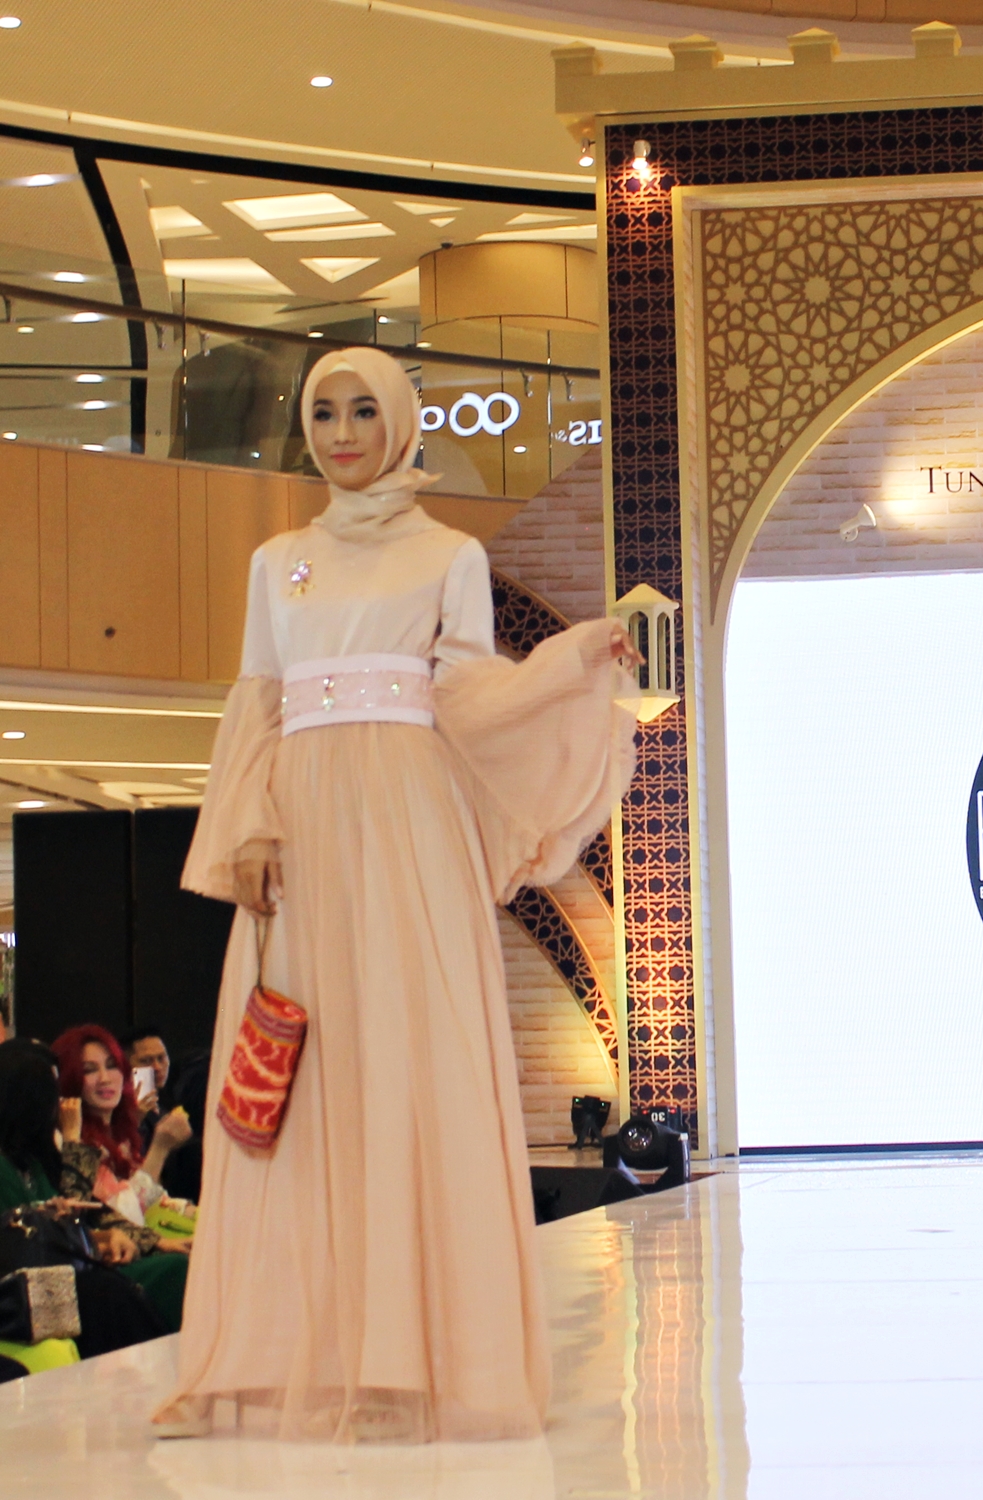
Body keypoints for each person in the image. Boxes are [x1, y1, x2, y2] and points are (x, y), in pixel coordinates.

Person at [154, 346, 638, 1442]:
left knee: (411, 1066)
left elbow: (472, 697)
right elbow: (258, 701)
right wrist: (251, 825)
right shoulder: (277, 561)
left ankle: (404, 1366)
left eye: (363, 410)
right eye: (324, 412)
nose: (341, 432)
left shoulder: (450, 554)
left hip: (411, 825)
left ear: (402, 421)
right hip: (303, 831)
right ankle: (275, 1358)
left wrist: (569, 664)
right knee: (304, 1076)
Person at [0, 1038, 169, 1357]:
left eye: (112, 1066)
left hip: (74, 1266)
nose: (61, 1103)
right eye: (90, 1070)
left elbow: (85, 1215)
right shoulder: (33, 1155)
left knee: (169, 1270)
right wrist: (73, 1139)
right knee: (108, 1292)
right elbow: (24, 1242)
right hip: (25, 1291)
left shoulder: (34, 1159)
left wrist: (110, 1239)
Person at [52, 1026, 193, 1332]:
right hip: (105, 1266)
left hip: (140, 1243)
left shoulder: (121, 1129)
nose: (105, 1078)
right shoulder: (67, 1141)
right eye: (90, 1070)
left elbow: (153, 1200)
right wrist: (160, 1148)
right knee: (181, 1268)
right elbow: (97, 1213)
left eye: (111, 1066)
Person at [119, 1024, 173, 1148]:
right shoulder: (113, 1112)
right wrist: (135, 1121)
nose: (157, 1067)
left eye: (161, 1058)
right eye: (146, 1061)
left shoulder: (167, 1105)